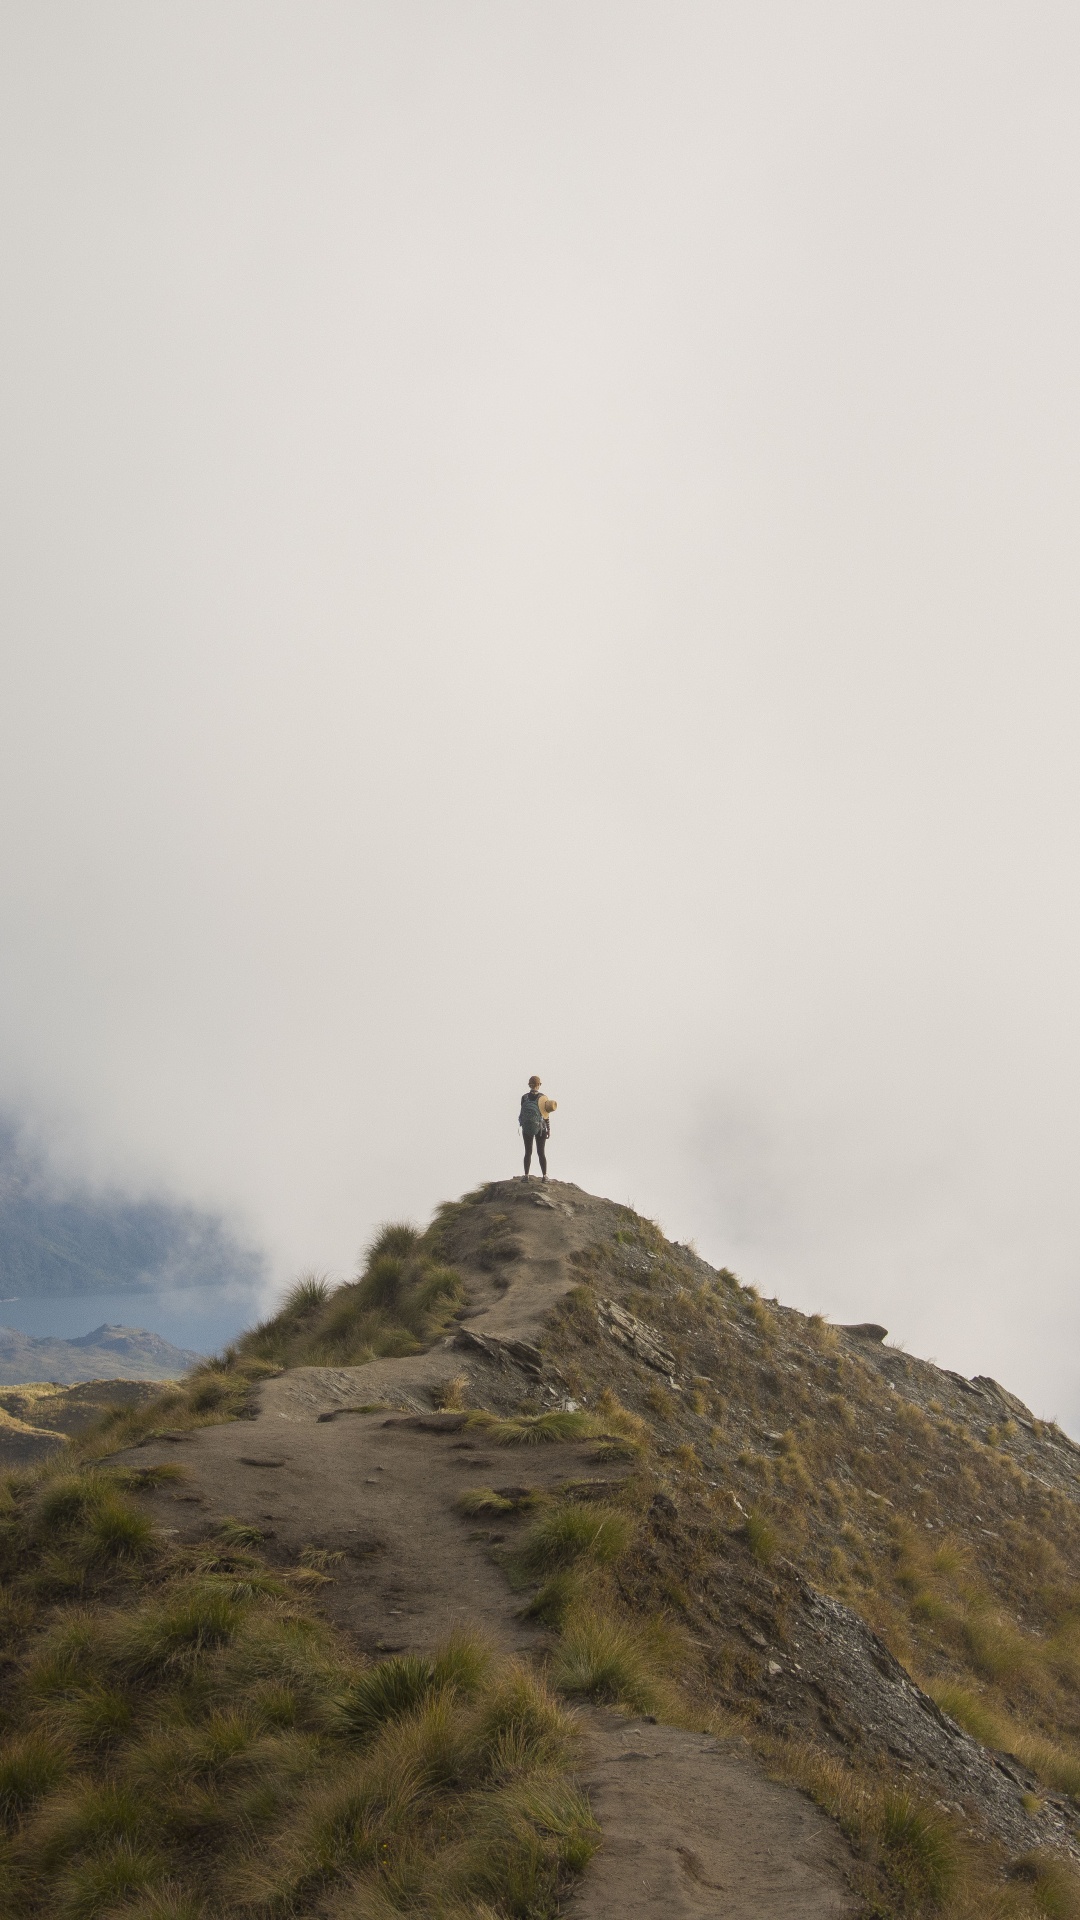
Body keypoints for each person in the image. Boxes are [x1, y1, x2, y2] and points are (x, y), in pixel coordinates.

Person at [519, 1075, 557, 1179]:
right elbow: (546, 1115)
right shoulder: (543, 1097)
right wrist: (548, 1129)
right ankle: (544, 1176)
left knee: (528, 1152)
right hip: (541, 1128)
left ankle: (526, 1175)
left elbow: (522, 1113)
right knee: (541, 1152)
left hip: (527, 1127)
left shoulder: (524, 1097)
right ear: (539, 1085)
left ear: (529, 1085)